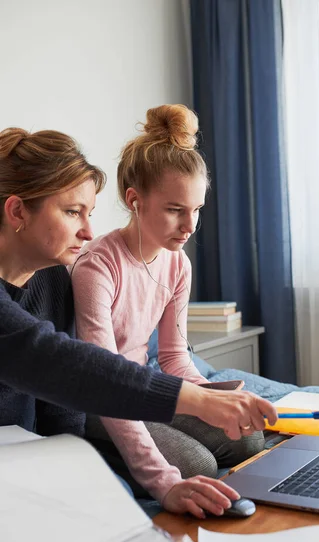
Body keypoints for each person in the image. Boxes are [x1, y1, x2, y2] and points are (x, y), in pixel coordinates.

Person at [0, 126, 277, 516]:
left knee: (243, 446)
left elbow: (61, 410)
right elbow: (59, 362)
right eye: (72, 211)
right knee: (178, 474)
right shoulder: (90, 268)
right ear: (17, 212)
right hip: (23, 452)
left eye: (90, 212)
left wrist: (210, 396)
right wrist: (196, 403)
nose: (88, 231)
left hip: (44, 442)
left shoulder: (51, 278)